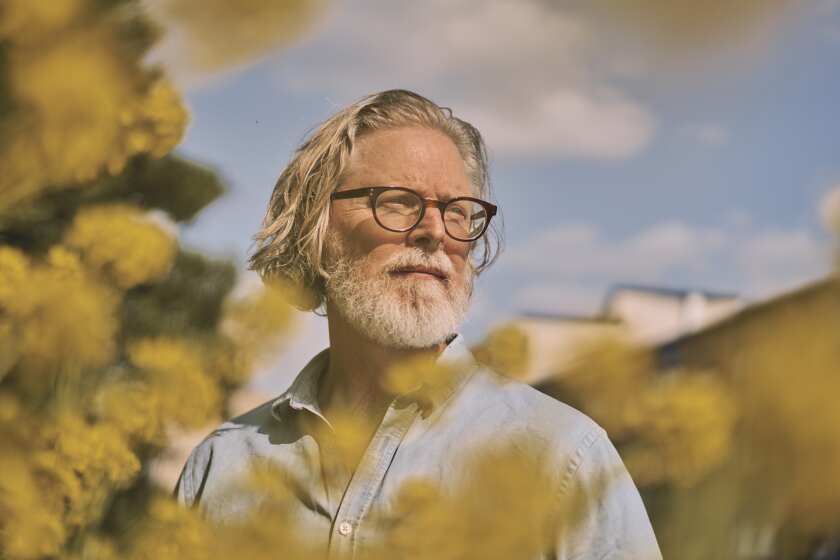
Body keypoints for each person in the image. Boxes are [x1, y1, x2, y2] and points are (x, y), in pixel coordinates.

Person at [175, 89, 662, 560]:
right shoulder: (221, 466)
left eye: (457, 212)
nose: (434, 232)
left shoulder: (563, 458)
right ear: (316, 228)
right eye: (397, 202)